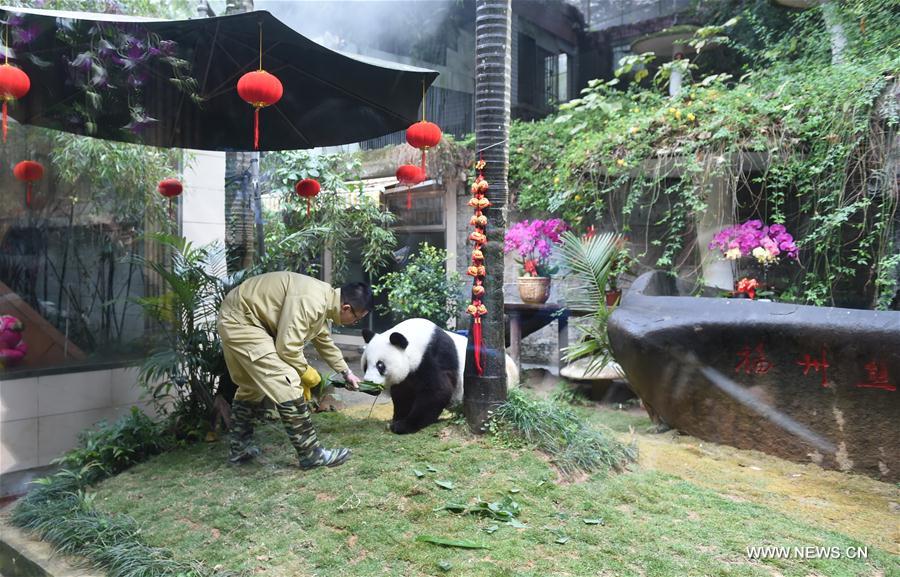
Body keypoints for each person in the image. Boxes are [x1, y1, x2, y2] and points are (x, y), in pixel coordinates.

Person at [216, 271, 370, 469]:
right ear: (346, 308)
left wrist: (346, 372)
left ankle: (239, 448)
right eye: (357, 319)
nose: (355, 323)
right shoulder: (312, 302)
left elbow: (324, 341)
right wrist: (308, 374)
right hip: (242, 321)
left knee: (251, 386)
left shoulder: (323, 298)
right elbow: (287, 348)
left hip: (237, 316)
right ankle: (312, 455)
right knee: (286, 381)